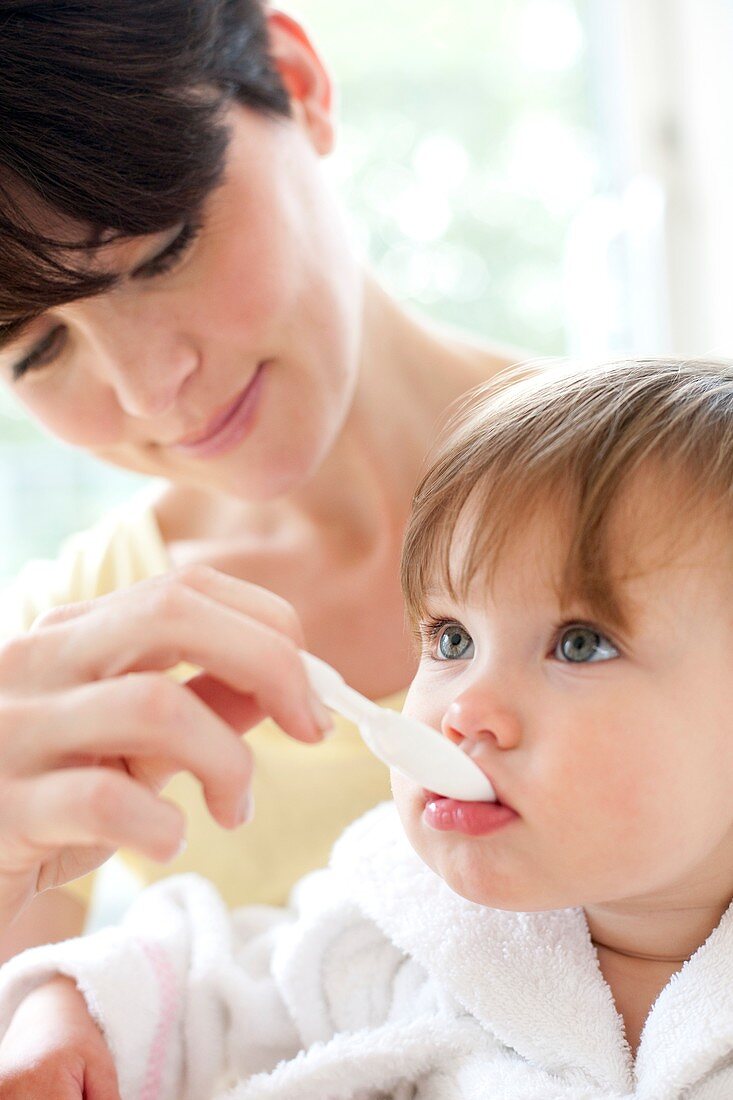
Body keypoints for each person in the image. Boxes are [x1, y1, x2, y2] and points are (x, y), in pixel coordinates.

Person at [2, 356, 733, 1099]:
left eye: (579, 643)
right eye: (451, 639)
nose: (464, 709)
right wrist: (72, 1015)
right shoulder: (394, 925)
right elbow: (204, 985)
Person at [0, 0, 519, 966]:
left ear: (298, 82)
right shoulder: (77, 658)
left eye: (164, 251)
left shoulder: (695, 494)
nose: (151, 391)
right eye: (35, 354)